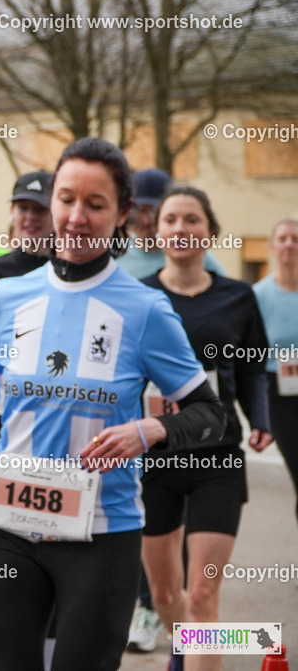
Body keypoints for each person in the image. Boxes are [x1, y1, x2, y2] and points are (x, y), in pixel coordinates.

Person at [0, 137, 226, 671]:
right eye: (66, 199)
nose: (76, 217)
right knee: (0, 652)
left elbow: (211, 415)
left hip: (102, 530)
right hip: (9, 521)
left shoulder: (146, 309)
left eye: (95, 204)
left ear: (123, 213)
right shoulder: (9, 297)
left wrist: (149, 431)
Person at [139, 185, 272, 671]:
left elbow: (253, 369)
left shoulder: (238, 296)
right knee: (164, 594)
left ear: (210, 232)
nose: (181, 228)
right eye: (171, 219)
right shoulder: (139, 297)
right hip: (154, 459)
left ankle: (196, 647)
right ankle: (186, 647)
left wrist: (260, 419)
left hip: (218, 457)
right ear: (157, 232)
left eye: (191, 219)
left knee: (200, 595)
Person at [253, 219, 298, 529]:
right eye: (282, 238)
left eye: (295, 238)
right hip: (278, 391)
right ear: (272, 246)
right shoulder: (258, 295)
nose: (289, 244)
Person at [116, 168, 226, 279]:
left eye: (154, 211)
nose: (147, 220)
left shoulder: (200, 261)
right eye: (140, 210)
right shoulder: (115, 256)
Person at [0, 170, 53, 287]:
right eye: (23, 208)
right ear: (12, 211)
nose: (30, 217)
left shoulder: (70, 274)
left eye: (40, 209)